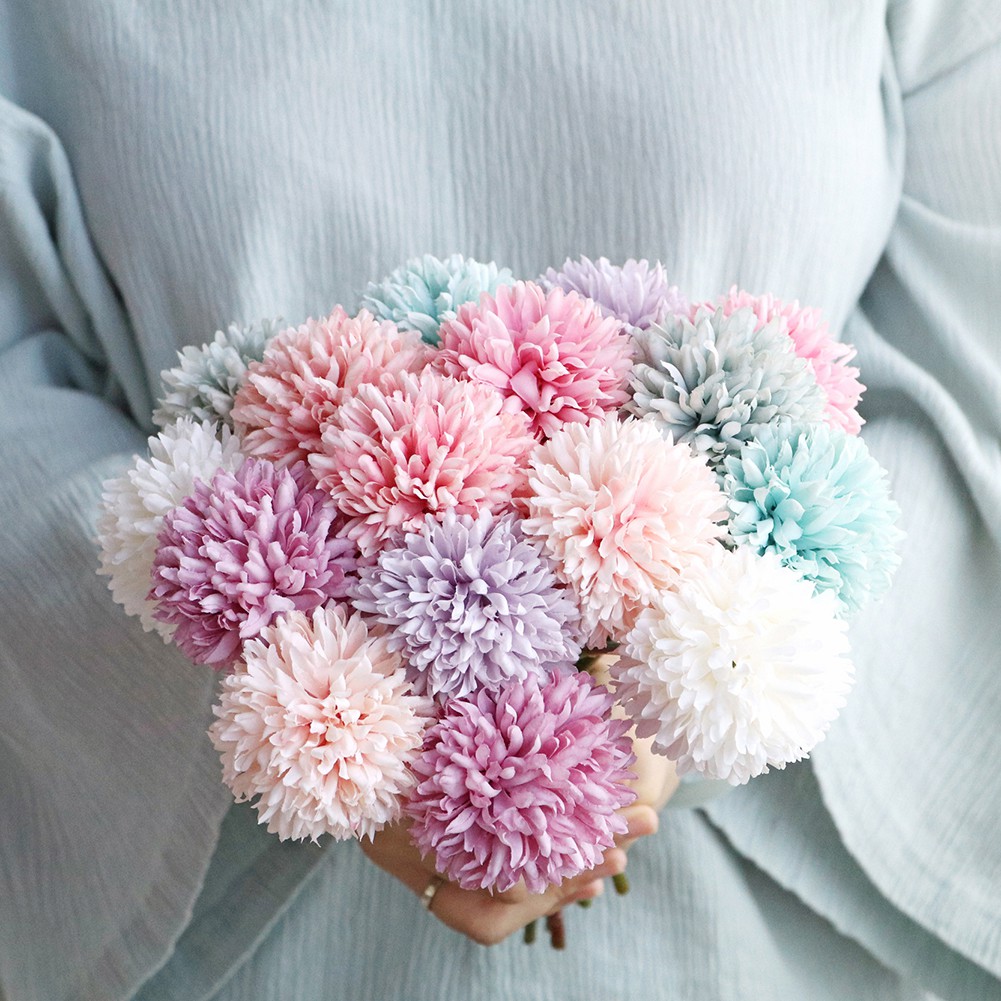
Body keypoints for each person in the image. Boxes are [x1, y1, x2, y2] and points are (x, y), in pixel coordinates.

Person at [1, 2, 999, 999]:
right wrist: (325, 717)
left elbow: (965, 379)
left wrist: (678, 694)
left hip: (753, 930)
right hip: (246, 910)